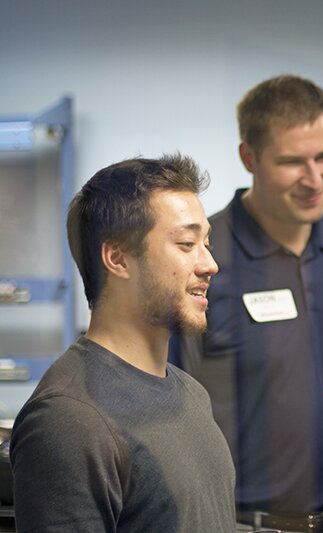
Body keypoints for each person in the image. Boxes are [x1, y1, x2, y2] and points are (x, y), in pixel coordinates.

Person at [170, 75, 323, 533]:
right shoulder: (202, 255)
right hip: (239, 523)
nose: (315, 180)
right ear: (248, 158)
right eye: (292, 162)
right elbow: (167, 406)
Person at [10, 155, 236, 532]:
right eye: (186, 243)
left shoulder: (192, 395)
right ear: (117, 258)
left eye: (206, 243)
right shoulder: (69, 420)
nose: (209, 263)